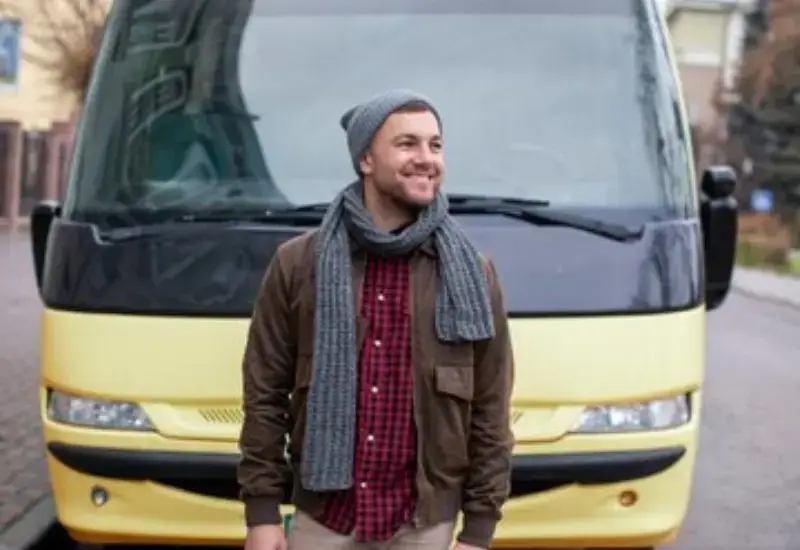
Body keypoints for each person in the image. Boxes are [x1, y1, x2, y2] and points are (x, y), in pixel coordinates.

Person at [237, 89, 515, 550]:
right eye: (407, 144)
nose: (427, 158)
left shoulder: (472, 272)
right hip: (326, 519)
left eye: (435, 145)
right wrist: (262, 515)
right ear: (366, 159)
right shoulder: (297, 264)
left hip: (425, 525)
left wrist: (479, 532)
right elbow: (264, 395)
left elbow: (490, 410)